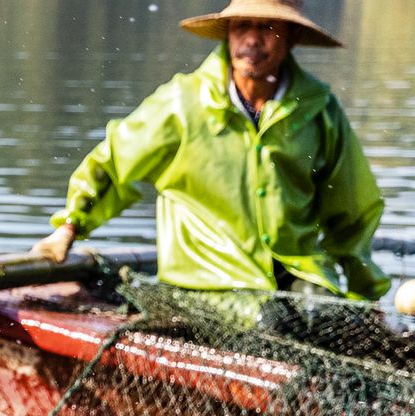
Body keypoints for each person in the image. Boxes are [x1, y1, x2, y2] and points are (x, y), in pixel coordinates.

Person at [32, 0, 384, 301]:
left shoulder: (320, 110)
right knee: (271, 322)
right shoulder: (183, 103)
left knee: (326, 313)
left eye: (267, 27)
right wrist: (69, 226)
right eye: (241, 26)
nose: (251, 39)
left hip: (297, 270)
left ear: (291, 36)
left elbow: (352, 210)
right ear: (228, 33)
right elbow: (113, 162)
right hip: (208, 280)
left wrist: (365, 291)